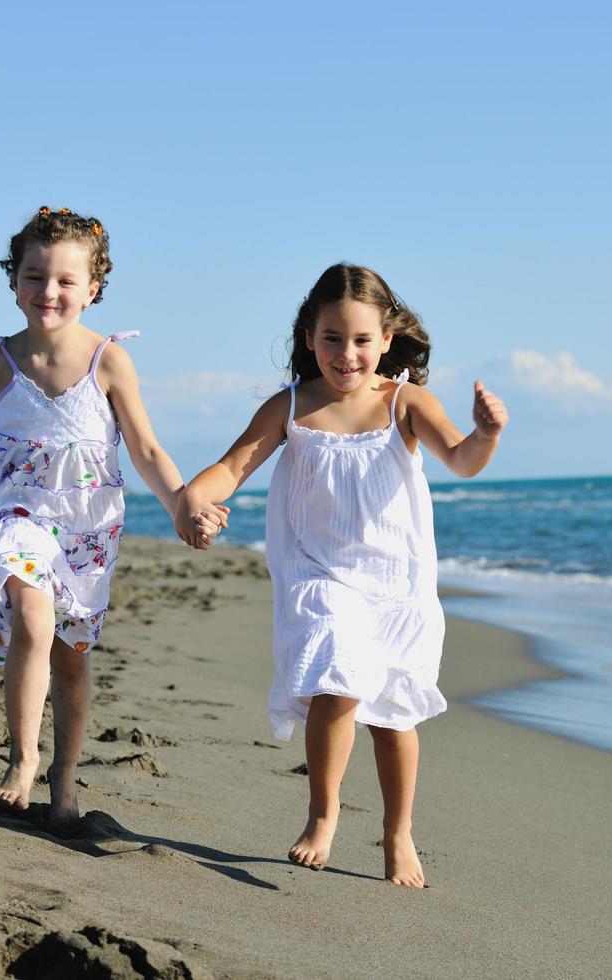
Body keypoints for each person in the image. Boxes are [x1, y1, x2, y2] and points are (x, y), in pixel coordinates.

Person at [174, 263, 507, 887]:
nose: (345, 354)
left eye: (359, 340)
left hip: (396, 583)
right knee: (336, 679)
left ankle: (398, 832)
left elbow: (462, 460)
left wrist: (487, 433)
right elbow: (232, 466)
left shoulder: (404, 402)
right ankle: (323, 815)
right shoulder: (293, 406)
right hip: (319, 573)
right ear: (308, 337)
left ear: (386, 340)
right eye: (331, 338)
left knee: (393, 717)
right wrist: (195, 500)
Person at [0, 206, 220, 827]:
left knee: (72, 655)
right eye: (34, 276)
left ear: (93, 288)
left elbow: (147, 448)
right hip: (15, 510)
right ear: (13, 280)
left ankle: (63, 783)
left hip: (87, 526)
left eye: (66, 281)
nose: (49, 291)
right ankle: (22, 758)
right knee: (32, 615)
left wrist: (185, 503)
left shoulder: (108, 361)